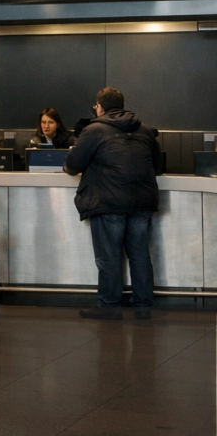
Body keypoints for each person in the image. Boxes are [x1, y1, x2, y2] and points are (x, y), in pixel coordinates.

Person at [64, 87, 163, 320]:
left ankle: (109, 306)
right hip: (142, 201)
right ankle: (143, 305)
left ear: (99, 106)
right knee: (140, 255)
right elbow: (157, 166)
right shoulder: (146, 131)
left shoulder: (93, 130)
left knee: (108, 256)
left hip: (108, 201)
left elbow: (73, 164)